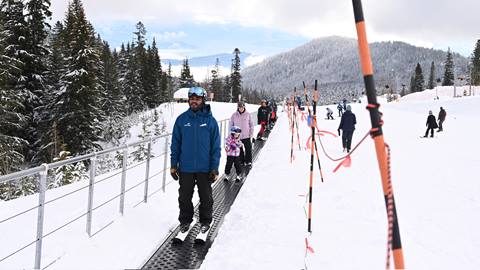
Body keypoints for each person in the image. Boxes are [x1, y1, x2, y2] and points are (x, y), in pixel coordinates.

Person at [170, 86, 221, 235]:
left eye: (197, 99)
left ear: (203, 100)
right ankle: (185, 221)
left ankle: (205, 222)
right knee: (184, 197)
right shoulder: (181, 120)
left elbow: (216, 148)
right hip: (186, 168)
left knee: (206, 197)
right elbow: (175, 145)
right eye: (192, 99)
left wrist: (214, 167)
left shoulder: (211, 122)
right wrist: (173, 165)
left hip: (205, 168)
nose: (194, 101)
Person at [229, 101, 254, 168]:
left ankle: (248, 161)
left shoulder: (248, 114)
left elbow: (251, 124)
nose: (241, 108)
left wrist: (251, 133)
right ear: (238, 108)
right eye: (240, 107)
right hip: (238, 136)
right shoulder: (234, 115)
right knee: (240, 149)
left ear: (244, 107)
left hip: (246, 135)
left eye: (242, 107)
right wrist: (232, 134)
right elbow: (231, 125)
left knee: (248, 149)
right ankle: (241, 161)